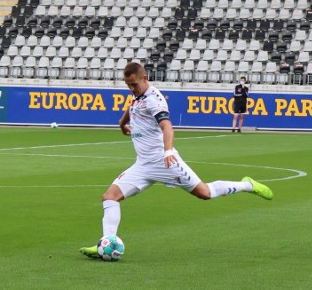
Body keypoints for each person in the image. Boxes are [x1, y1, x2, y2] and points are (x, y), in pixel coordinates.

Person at [80, 62, 273, 259]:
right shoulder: (137, 93)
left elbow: (167, 127)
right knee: (109, 197)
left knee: (205, 193)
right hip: (142, 165)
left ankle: (248, 185)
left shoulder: (155, 100)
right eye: (128, 85)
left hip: (165, 163)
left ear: (145, 79)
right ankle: (106, 242)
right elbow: (133, 106)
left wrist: (168, 151)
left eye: (134, 85)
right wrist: (122, 124)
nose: (131, 89)